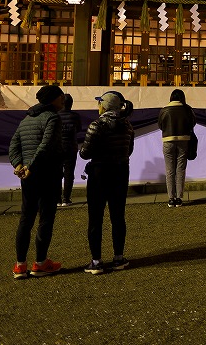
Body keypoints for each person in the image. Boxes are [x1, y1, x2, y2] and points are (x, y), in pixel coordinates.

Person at [8, 84, 66, 279]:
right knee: (46, 218)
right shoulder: (53, 118)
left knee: (26, 218)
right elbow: (46, 145)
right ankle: (40, 263)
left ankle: (20, 265)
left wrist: (19, 165)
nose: (63, 100)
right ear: (53, 99)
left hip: (28, 177)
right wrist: (30, 166)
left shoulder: (26, 119)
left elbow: (14, 144)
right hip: (48, 174)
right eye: (61, 97)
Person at [79, 90, 134, 274]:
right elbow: (129, 151)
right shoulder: (127, 125)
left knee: (95, 217)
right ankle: (118, 257)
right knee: (118, 216)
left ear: (103, 106)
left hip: (99, 172)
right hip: (120, 171)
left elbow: (85, 153)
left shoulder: (97, 125)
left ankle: (96, 261)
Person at [157, 89, 196, 207]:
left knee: (169, 170)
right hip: (183, 141)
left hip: (168, 140)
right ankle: (179, 198)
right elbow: (192, 123)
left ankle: (171, 198)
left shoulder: (164, 110)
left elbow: (160, 125)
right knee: (180, 170)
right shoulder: (187, 109)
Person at [58, 93, 82, 207]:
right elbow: (79, 129)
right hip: (71, 147)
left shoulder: (56, 115)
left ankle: (57, 198)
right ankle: (66, 199)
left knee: (57, 173)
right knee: (69, 173)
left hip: (58, 147)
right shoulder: (75, 116)